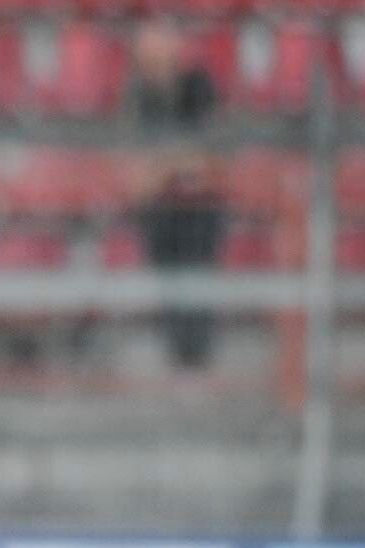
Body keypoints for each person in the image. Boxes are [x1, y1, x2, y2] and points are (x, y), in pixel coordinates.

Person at [129, 16, 224, 370]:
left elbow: (208, 158)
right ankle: (178, 354)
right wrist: (172, 166)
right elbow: (138, 169)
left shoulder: (198, 84)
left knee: (198, 270)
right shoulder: (138, 93)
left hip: (199, 205)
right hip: (161, 207)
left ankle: (197, 355)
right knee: (167, 270)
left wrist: (169, 165)